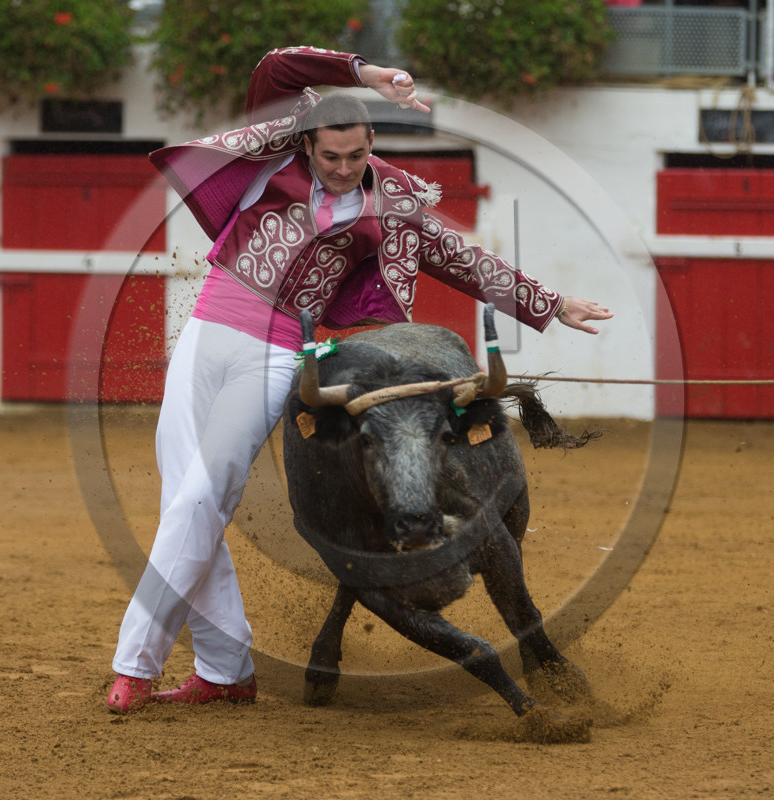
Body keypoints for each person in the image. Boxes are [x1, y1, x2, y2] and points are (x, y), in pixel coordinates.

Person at [106, 46, 612, 713]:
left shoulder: (391, 204)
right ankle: (226, 670)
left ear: (371, 143)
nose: (343, 170)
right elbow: (277, 67)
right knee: (186, 505)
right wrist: (361, 70)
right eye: (329, 157)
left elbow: (461, 257)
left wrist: (549, 304)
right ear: (306, 143)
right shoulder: (276, 157)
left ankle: (134, 664)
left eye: (355, 156)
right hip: (205, 334)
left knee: (203, 497)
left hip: (279, 353)